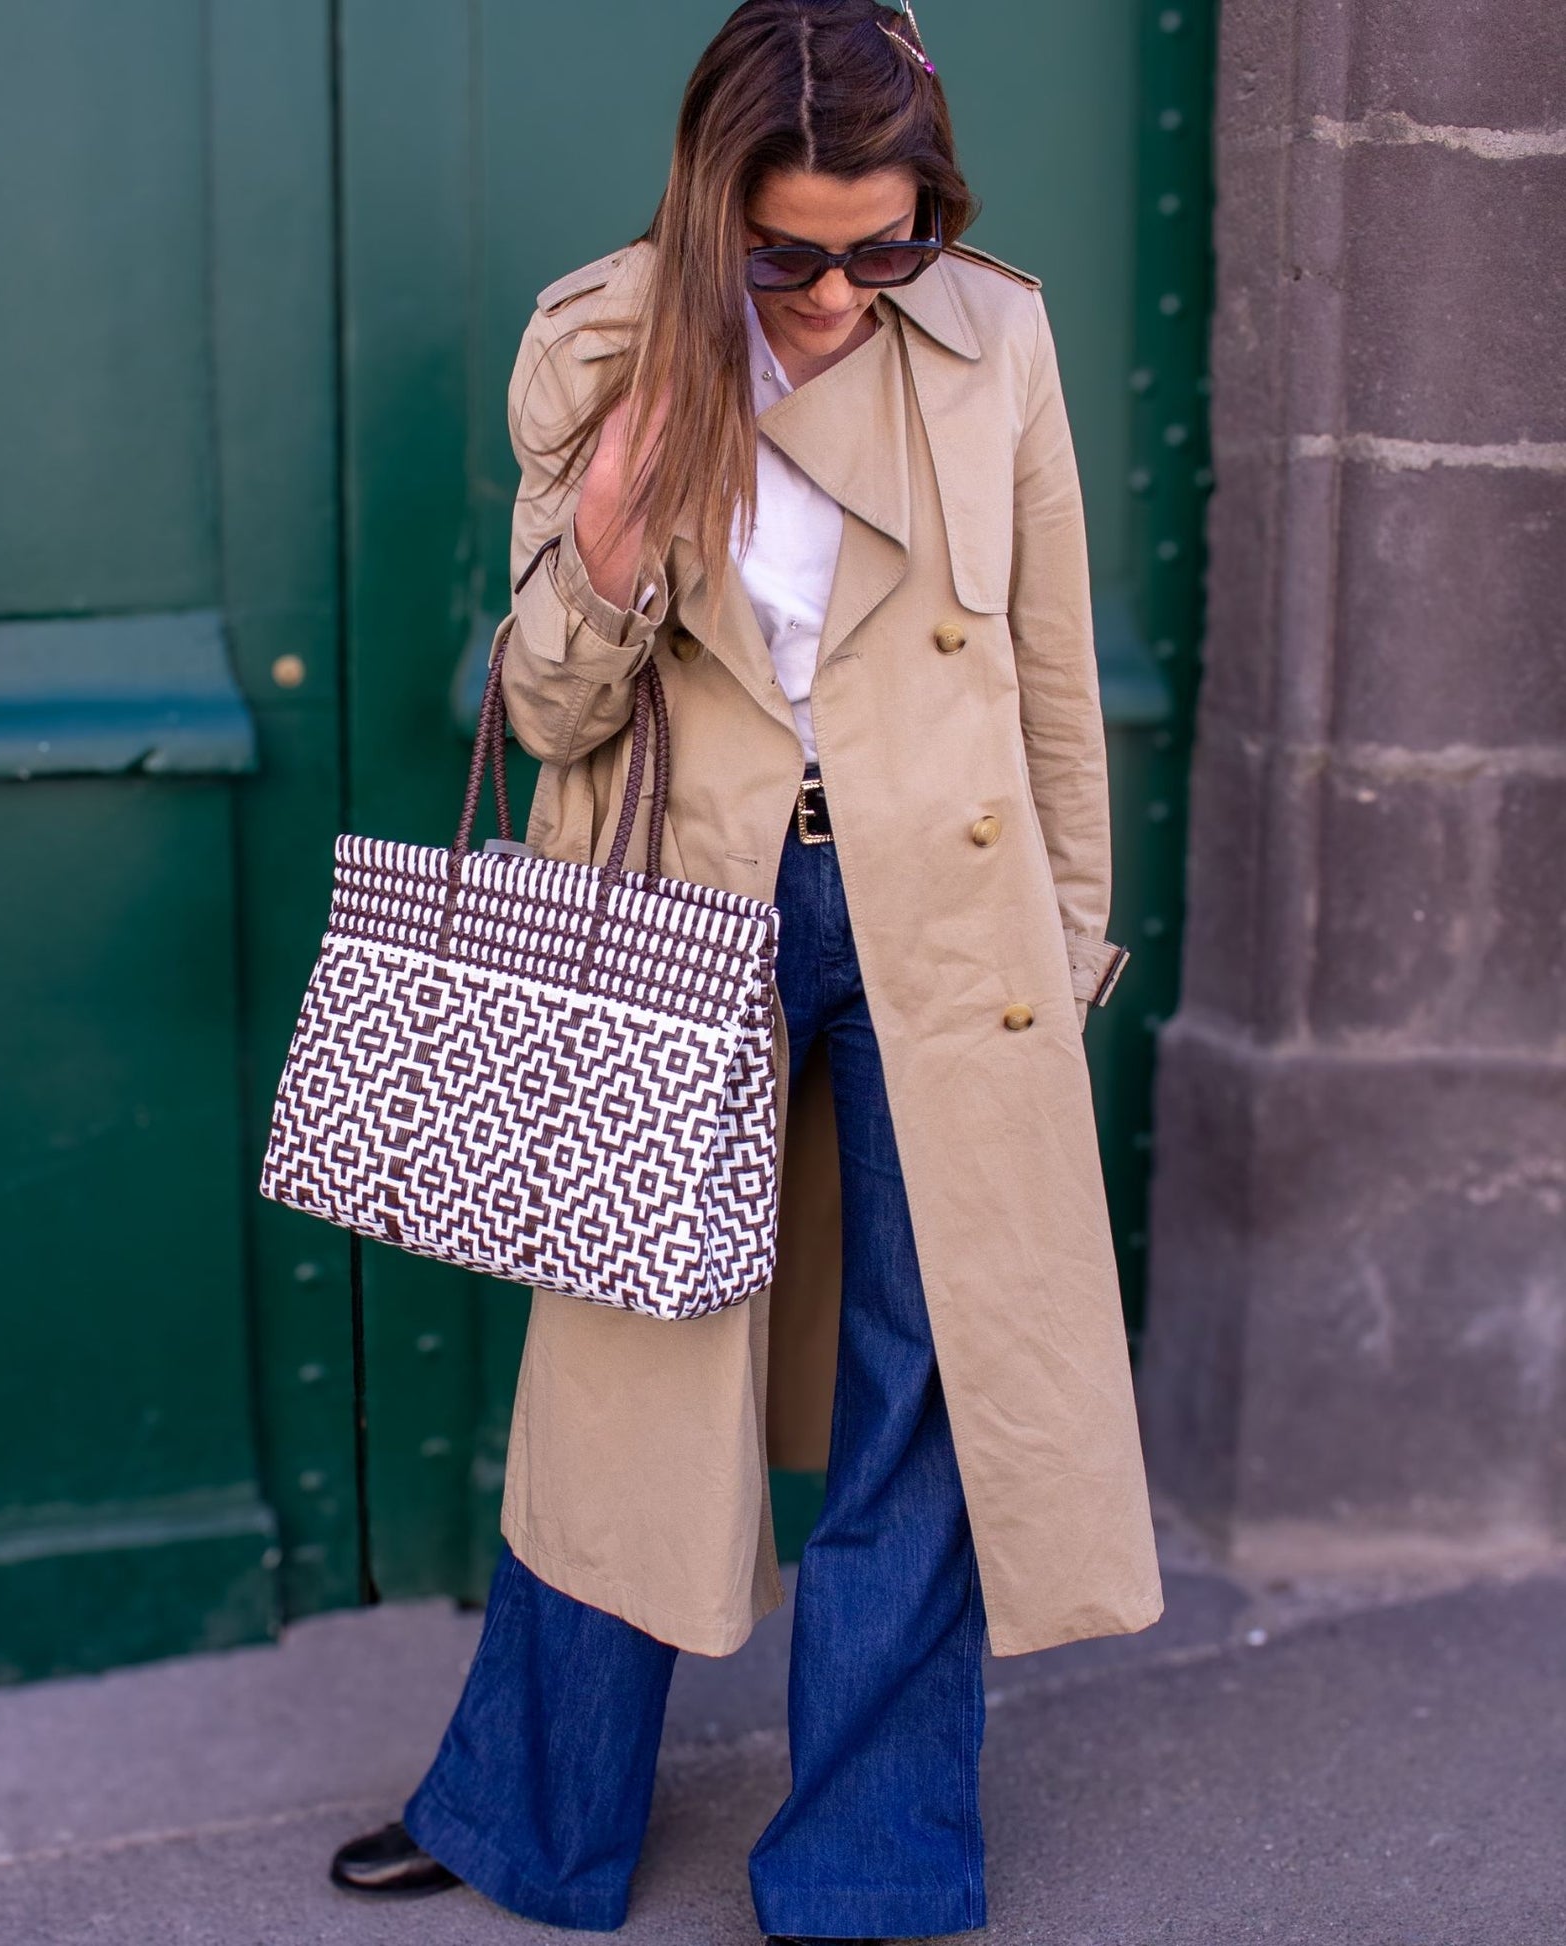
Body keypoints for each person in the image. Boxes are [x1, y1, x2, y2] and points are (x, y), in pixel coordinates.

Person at [328, 2, 1161, 1938]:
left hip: (941, 917)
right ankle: (522, 1812)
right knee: (629, 1368)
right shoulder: (607, 339)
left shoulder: (992, 334)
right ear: (713, 211)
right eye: (787, 254)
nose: (838, 295)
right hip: (682, 903)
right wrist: (614, 531)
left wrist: (1070, 937)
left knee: (922, 1380)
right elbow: (546, 709)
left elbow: (1044, 662)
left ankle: (869, 1863)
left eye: (885, 246)